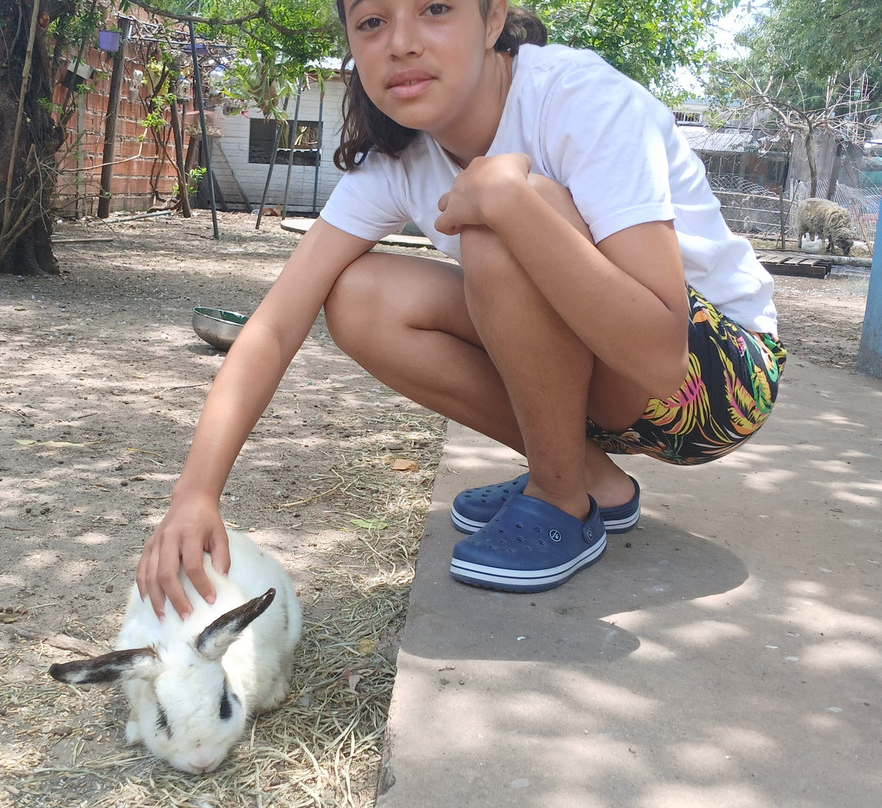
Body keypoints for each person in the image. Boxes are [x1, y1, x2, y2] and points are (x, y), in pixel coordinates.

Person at [137, 0, 785, 619]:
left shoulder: (578, 99)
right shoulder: (398, 159)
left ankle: (562, 500)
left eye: (437, 9)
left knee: (501, 218)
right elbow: (274, 326)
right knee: (357, 297)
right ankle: (590, 480)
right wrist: (195, 493)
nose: (402, 41)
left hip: (719, 383)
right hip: (610, 392)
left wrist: (512, 204)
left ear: (493, 17)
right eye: (371, 21)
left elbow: (663, 357)